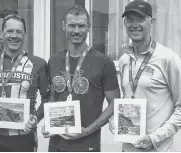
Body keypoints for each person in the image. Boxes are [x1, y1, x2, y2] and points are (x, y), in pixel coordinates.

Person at [35, 4, 120, 152]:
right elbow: (51, 98)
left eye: (81, 26)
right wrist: (48, 123)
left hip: (87, 145)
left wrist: (88, 130)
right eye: (72, 25)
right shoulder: (54, 61)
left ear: (89, 27)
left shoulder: (104, 62)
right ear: (64, 26)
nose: (76, 31)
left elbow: (115, 103)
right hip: (56, 146)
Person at [109, 0, 181, 152]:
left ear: (151, 22)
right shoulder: (124, 60)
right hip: (128, 148)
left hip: (157, 149)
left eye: (140, 19)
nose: (134, 25)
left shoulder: (168, 59)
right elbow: (129, 99)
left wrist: (154, 139)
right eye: (129, 20)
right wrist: (116, 119)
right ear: (124, 23)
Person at [0, 14, 50, 152]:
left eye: (19, 32)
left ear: (25, 35)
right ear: (1, 34)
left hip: (24, 137)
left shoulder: (39, 64)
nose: (14, 35)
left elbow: (48, 97)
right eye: (10, 31)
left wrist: (35, 118)